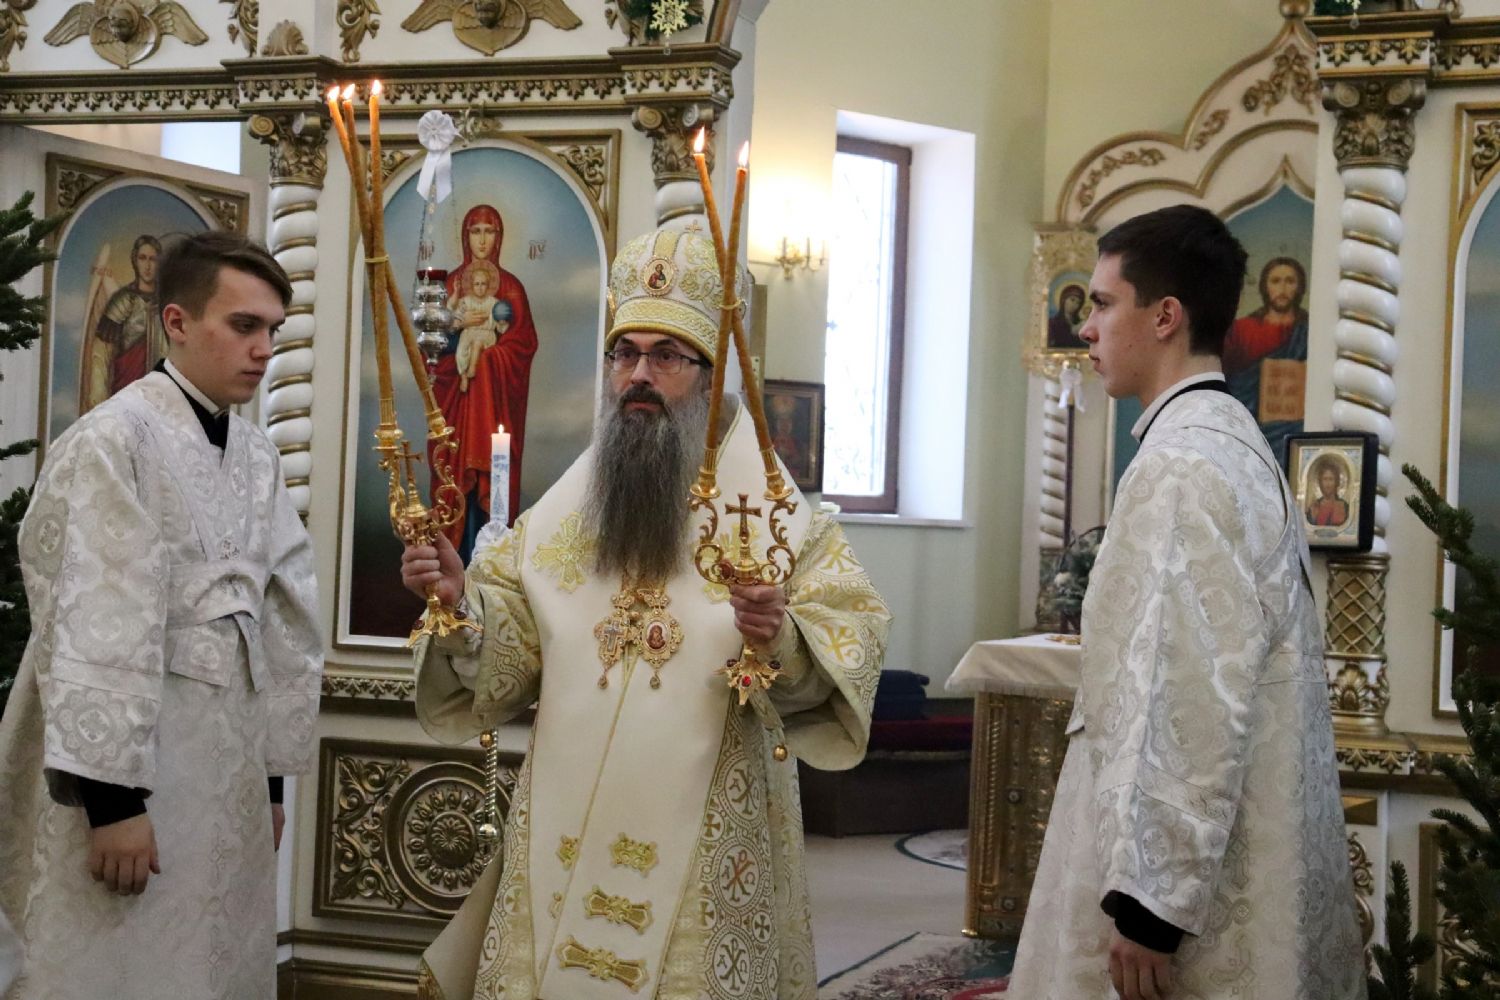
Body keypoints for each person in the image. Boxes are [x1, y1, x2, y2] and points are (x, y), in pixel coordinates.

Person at [402, 225, 890, 1000]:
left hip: (702, 843)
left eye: (666, 356)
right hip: (564, 827)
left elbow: (849, 641)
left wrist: (782, 639)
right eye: (623, 353)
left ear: (714, 376)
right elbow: (511, 643)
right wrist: (463, 604)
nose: (637, 375)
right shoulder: (566, 512)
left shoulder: (780, 523)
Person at [1008, 205, 1363, 1000]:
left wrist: (1150, 903)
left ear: (1165, 315)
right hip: (1246, 837)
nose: (1086, 328)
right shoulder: (1235, 441)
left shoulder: (1180, 467)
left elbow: (1183, 688)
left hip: (1179, 888)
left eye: (1104, 303)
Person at [0, 231, 324, 999]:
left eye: (272, 329)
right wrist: (113, 805)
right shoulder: (112, 441)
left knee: (212, 963)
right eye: (243, 325)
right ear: (176, 322)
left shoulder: (257, 456)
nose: (263, 349)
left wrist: (271, 785)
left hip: (229, 775)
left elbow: (283, 617)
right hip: (133, 777)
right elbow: (94, 614)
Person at [431, 204, 540, 559]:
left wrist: (490, 358)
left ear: (499, 237)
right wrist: (458, 331)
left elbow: (522, 344)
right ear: (466, 236)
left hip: (494, 407)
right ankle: (452, 564)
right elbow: (432, 350)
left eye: (488, 231)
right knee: (454, 479)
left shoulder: (510, 288)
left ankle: (490, 566)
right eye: (475, 231)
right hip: (456, 406)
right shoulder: (452, 285)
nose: (482, 240)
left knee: (490, 486)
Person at [1222, 256, 1309, 458]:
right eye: (1276, 281)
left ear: (1300, 287)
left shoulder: (1310, 332)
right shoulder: (1242, 330)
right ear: (1265, 286)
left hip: (1295, 434)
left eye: (1290, 281)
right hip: (1249, 431)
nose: (1282, 288)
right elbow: (1229, 382)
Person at [84, 234, 166, 410]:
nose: (148, 266)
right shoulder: (122, 301)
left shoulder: (167, 303)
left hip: (159, 395)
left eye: (153, 259)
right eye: (142, 258)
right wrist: (98, 400)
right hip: (126, 390)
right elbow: (102, 354)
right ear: (135, 261)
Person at [449, 262, 510, 393]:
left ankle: (472, 368)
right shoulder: (465, 301)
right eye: (477, 284)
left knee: (477, 344)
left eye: (483, 284)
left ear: (488, 286)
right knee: (461, 352)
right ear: (472, 285)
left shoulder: (494, 303)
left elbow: (501, 328)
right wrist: (456, 292)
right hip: (468, 333)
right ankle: (463, 376)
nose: (480, 287)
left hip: (486, 334)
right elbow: (452, 309)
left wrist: (502, 322)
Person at [1306, 455, 1351, 527]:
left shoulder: (1344, 506)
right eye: (1325, 479)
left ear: (1336, 482)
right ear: (1320, 482)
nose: (1328, 484)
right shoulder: (1314, 506)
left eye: (1331, 479)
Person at [1048, 282, 1089, 350]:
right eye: (1072, 300)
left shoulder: (1081, 323)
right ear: (1063, 299)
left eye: (1078, 302)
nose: (1075, 305)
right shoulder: (1053, 323)